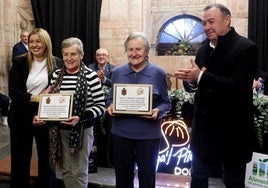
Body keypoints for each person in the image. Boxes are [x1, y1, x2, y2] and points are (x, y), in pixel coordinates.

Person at [174, 3, 258, 188]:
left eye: (211, 22)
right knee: (197, 177)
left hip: (232, 131)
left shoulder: (246, 47)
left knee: (233, 180)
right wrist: (191, 81)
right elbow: (197, 85)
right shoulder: (204, 48)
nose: (206, 27)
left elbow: (238, 87)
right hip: (203, 131)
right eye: (204, 23)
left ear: (227, 20)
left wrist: (201, 76)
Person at [33, 37, 106, 188]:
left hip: (82, 130)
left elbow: (100, 106)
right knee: (66, 170)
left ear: (81, 55)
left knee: (78, 171)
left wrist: (80, 117)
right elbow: (50, 102)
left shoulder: (91, 76)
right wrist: (41, 115)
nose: (69, 58)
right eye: (65, 54)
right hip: (61, 131)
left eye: (73, 54)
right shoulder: (56, 75)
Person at [106, 32, 171, 188]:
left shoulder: (158, 73)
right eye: (130, 49)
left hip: (148, 135)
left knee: (147, 178)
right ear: (126, 51)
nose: (134, 54)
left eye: (138, 49)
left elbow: (166, 103)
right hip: (121, 133)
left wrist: (158, 112)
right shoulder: (117, 72)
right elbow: (110, 99)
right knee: (122, 177)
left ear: (147, 51)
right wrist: (110, 107)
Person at [8, 28, 63, 188]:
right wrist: (35, 97)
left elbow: (60, 89)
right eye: (31, 41)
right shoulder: (20, 61)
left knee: (47, 159)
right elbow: (13, 91)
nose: (34, 45)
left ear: (46, 43)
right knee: (20, 158)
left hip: (46, 114)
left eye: (38, 41)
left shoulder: (57, 63)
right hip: (20, 114)